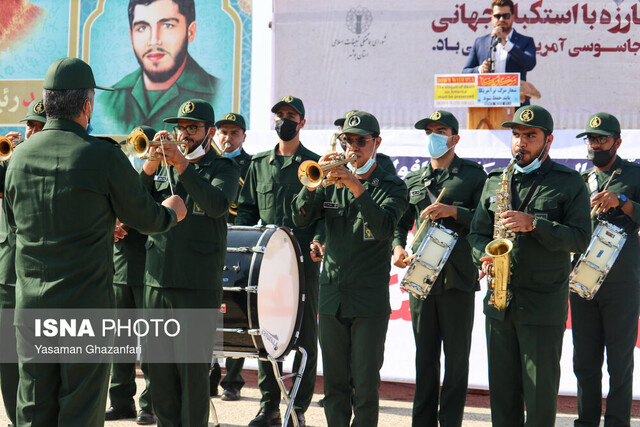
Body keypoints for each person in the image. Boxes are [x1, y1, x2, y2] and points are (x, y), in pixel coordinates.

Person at [3, 56, 185, 427]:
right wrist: (172, 212)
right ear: (87, 105)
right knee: (80, 411)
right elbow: (146, 218)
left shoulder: (18, 157)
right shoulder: (102, 154)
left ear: (48, 101)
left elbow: (18, 224)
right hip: (84, 310)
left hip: (31, 307)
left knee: (33, 409)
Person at [468, 105, 591, 426]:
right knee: (503, 395)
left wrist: (535, 223)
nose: (520, 143)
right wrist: (483, 253)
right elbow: (477, 233)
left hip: (541, 304)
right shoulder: (496, 180)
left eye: (530, 136)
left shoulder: (569, 182)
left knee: (539, 394)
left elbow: (580, 239)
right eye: (517, 135)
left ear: (548, 141)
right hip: (499, 303)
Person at [292, 110, 407, 427]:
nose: (352, 148)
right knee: (335, 384)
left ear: (376, 143)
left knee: (366, 384)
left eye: (360, 141)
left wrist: (357, 186)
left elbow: (384, 228)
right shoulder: (331, 180)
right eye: (347, 141)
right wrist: (313, 187)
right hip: (331, 295)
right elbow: (301, 217)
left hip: (367, 300)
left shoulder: (392, 185)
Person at [140, 98, 239, 426]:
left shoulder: (223, 167)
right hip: (156, 281)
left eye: (192, 128)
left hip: (196, 285)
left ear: (210, 132)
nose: (184, 134)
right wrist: (149, 167)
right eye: (180, 128)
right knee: (159, 373)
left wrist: (184, 165)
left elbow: (216, 205)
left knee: (193, 375)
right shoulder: (163, 165)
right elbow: (133, 205)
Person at [393, 111, 487, 427]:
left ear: (455, 138)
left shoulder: (474, 176)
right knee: (424, 359)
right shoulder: (415, 179)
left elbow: (487, 221)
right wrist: (398, 246)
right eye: (429, 131)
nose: (434, 136)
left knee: (457, 361)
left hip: (458, 277)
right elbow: (402, 222)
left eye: (440, 130)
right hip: (422, 277)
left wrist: (454, 211)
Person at [237, 96, 322, 427]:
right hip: (266, 263)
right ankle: (269, 404)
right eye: (279, 115)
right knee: (264, 333)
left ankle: (297, 406)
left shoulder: (314, 163)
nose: (283, 121)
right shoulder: (258, 165)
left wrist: (318, 239)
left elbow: (324, 214)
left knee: (304, 335)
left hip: (302, 263)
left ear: (302, 123)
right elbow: (245, 210)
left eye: (290, 116)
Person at [570, 113, 640, 426]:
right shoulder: (579, 182)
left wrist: (623, 201)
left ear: (617, 142)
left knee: (620, 362)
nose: (595, 145)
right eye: (591, 139)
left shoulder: (635, 175)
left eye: (601, 139)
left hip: (622, 281)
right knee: (584, 361)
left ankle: (616, 422)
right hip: (583, 279)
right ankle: (585, 422)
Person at [104, 124, 158, 425]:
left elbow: (149, 207)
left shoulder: (161, 174)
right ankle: (121, 401)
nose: (141, 147)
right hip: (121, 264)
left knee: (151, 341)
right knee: (120, 340)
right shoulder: (120, 166)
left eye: (146, 143)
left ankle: (150, 404)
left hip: (148, 263)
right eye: (138, 143)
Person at [98, 0, 218, 134]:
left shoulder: (216, 93)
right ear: (131, 37)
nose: (154, 40)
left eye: (167, 25)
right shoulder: (108, 101)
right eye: (142, 28)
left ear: (190, 32)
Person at [0, 98, 46, 427]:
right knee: (7, 361)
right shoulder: (10, 161)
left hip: (41, 279)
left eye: (38, 125)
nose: (30, 131)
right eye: (28, 125)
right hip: (7, 277)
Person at [208, 112, 251, 402]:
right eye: (223, 131)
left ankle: (233, 380)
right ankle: (209, 375)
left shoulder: (251, 165)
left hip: (238, 242)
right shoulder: (205, 160)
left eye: (234, 133)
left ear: (243, 137)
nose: (227, 137)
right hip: (209, 241)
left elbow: (250, 205)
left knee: (236, 308)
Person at [462, 0, 536, 102]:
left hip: (516, 105)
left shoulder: (526, 41)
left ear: (513, 17)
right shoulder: (480, 42)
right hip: (487, 105)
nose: (501, 19)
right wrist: (480, 70)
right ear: (491, 18)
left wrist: (506, 43)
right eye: (497, 16)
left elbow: (529, 64)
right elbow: (465, 72)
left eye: (506, 16)